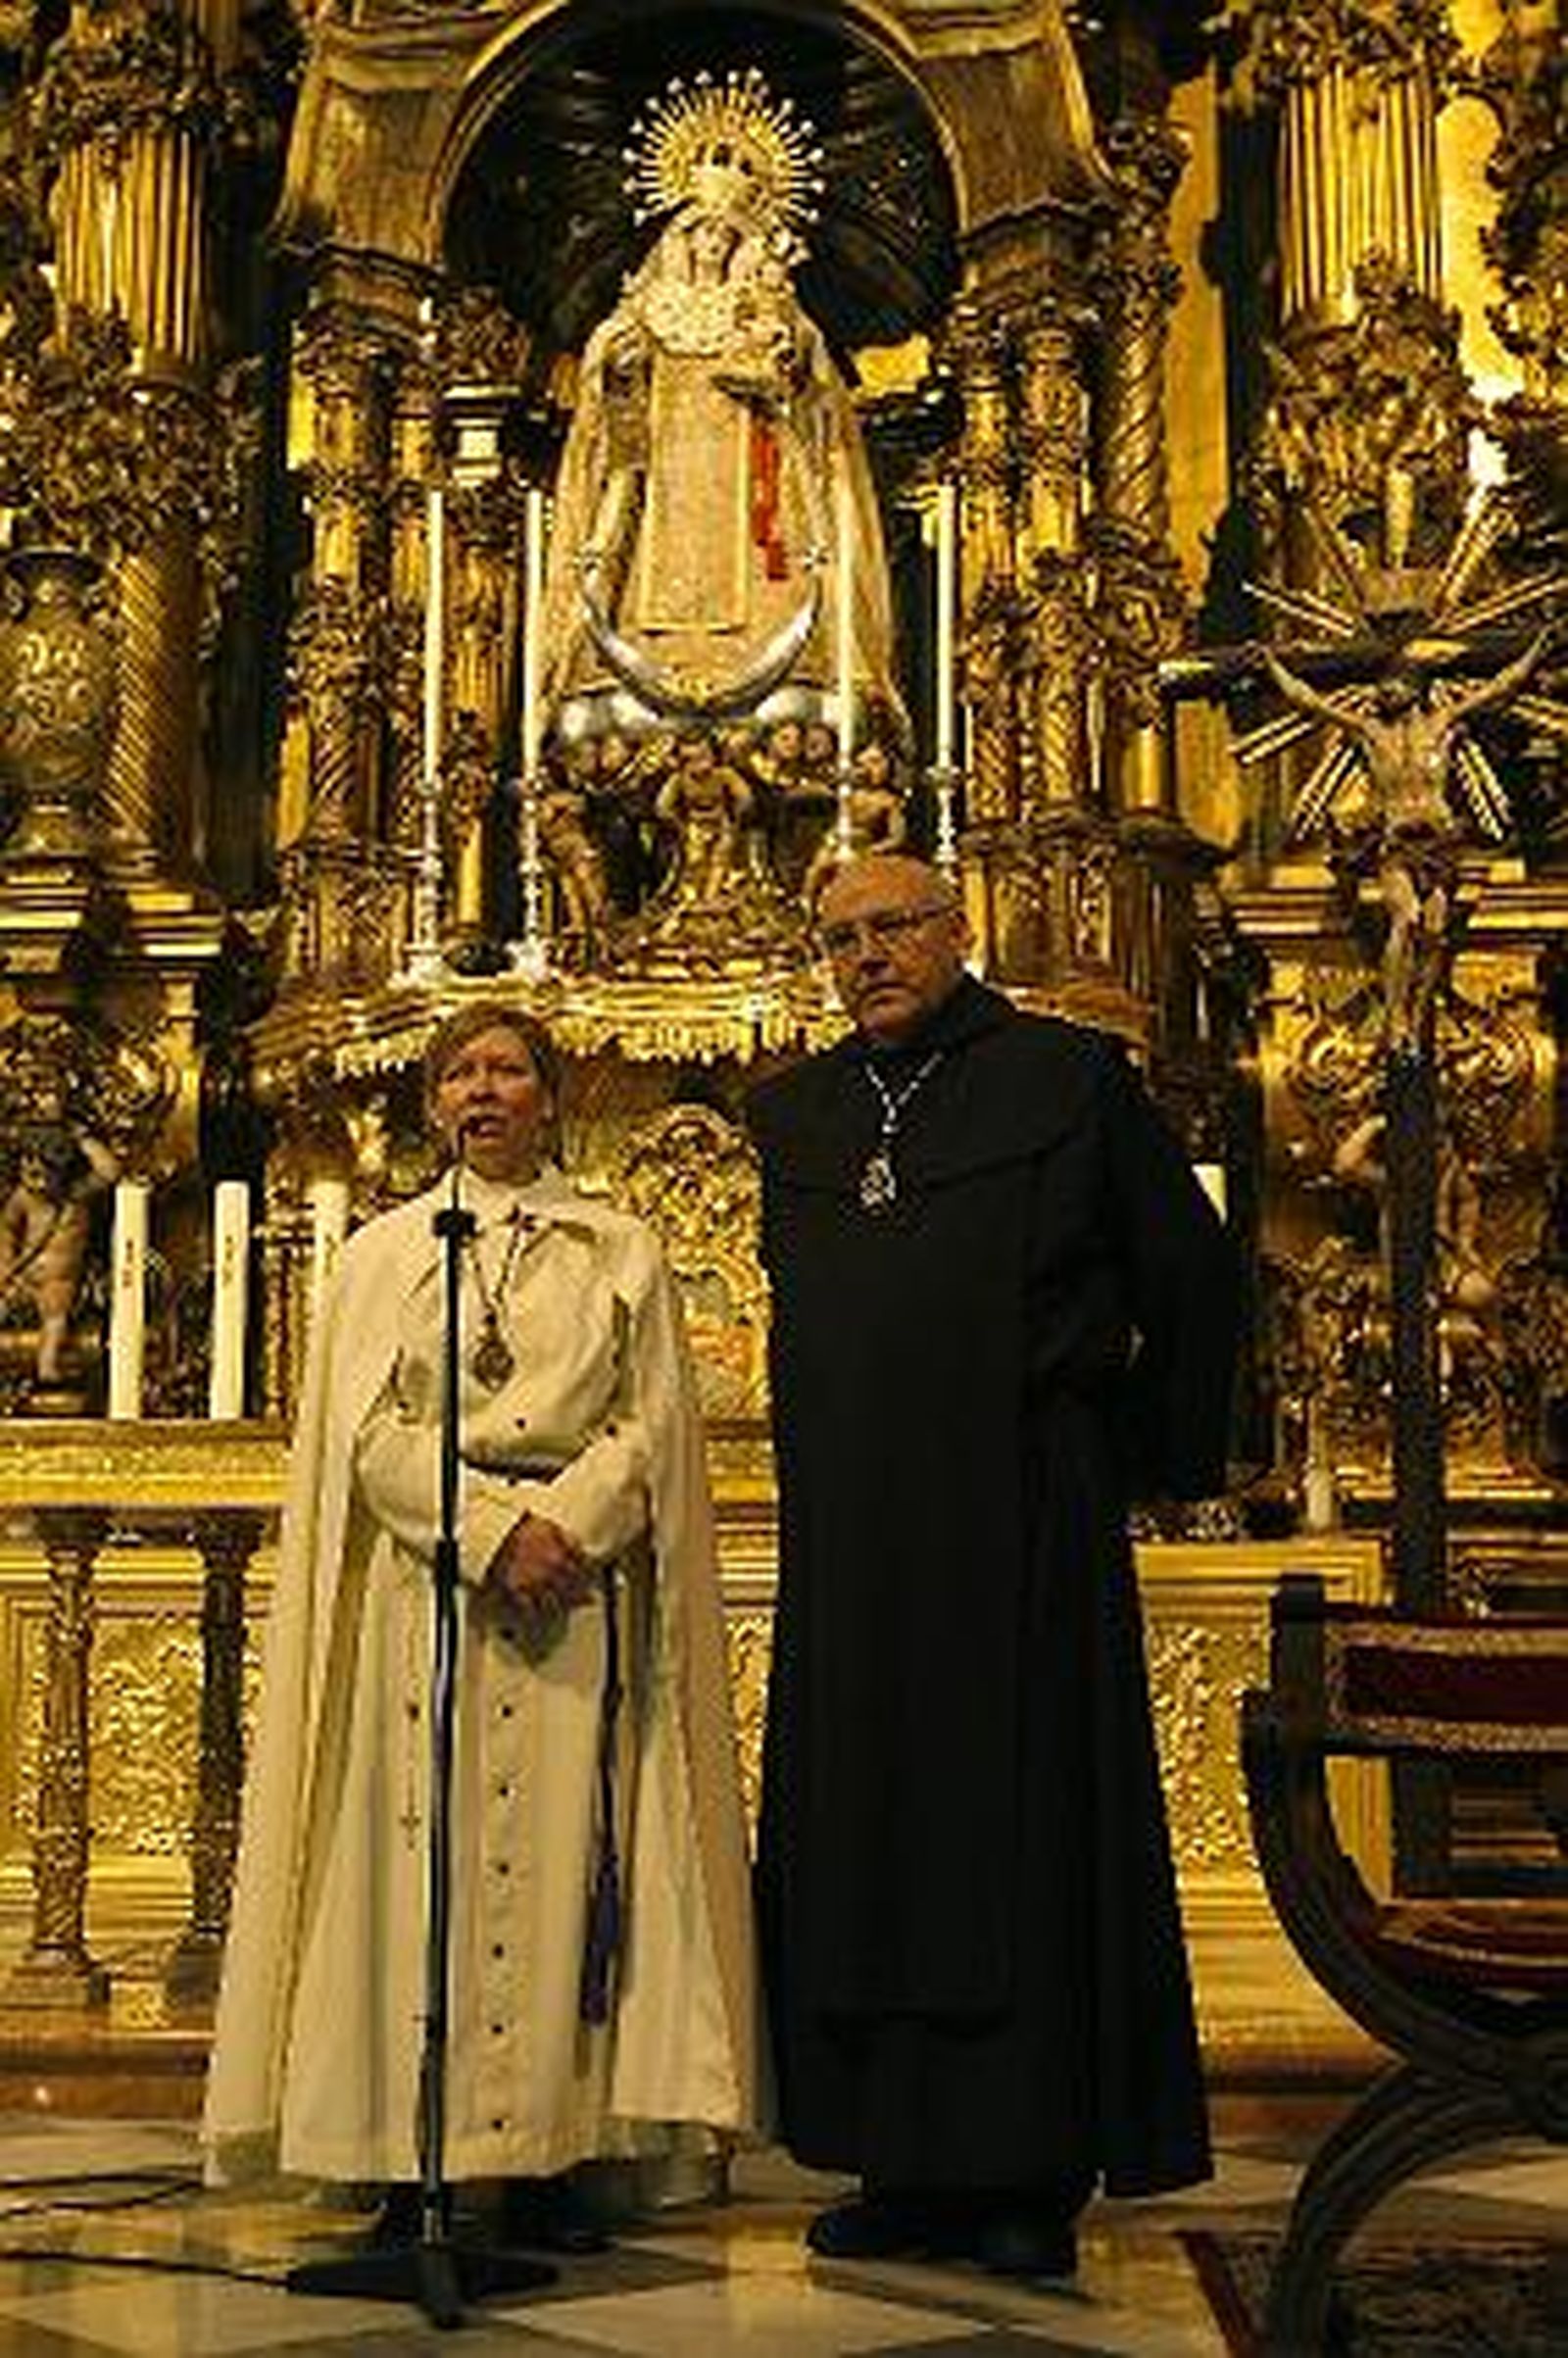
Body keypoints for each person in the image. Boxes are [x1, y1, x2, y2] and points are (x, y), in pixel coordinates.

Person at [746, 853, 1237, 2279]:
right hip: (855, 1538)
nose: (868, 956)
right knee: (868, 1829)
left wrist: (1141, 1456)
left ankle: (1022, 2164)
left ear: (959, 931)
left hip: (1024, 1517)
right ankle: (895, 2157)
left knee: (1018, 1827)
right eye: (840, 938)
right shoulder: (803, 1113)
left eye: (895, 926)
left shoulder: (1068, 1079)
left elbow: (1193, 1276)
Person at [203, 1003, 761, 2249]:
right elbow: (359, 1432)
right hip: (427, 1598)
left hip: (572, 1598)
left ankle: (554, 2151)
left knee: (568, 1864)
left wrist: (562, 1527)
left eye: (509, 1069)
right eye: (461, 1071)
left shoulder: (618, 1247)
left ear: (551, 1097)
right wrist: (485, 1532)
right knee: (413, 1873)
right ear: (431, 1102)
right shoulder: (382, 1256)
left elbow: (650, 1429)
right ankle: (415, 2158)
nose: (485, 1089)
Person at [540, 71, 900, 748]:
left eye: (723, 236)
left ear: (742, 243)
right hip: (665, 488)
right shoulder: (645, 309)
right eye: (699, 233)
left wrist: (784, 362)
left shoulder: (766, 307)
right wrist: (618, 364)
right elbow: (608, 392)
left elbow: (811, 384)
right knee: (639, 556)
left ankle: (775, 650)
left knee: (776, 554)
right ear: (679, 236)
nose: (710, 245)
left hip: (756, 493)